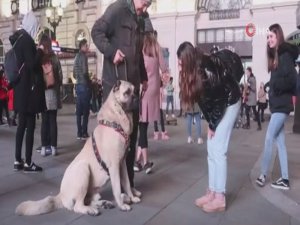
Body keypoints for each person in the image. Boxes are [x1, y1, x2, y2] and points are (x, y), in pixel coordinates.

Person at [91, 0, 151, 192]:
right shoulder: (117, 9)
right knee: (112, 139)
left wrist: (143, 77)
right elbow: (96, 32)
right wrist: (110, 52)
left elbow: (139, 53)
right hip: (114, 89)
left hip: (131, 90)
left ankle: (129, 186)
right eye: (144, 3)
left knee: (130, 139)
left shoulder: (141, 19)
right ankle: (107, 185)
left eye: (149, 4)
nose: (145, 8)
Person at [177, 42, 242, 212]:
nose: (179, 65)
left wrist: (212, 124)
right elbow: (205, 103)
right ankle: (212, 191)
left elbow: (220, 101)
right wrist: (211, 123)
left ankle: (219, 197)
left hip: (230, 101)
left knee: (218, 149)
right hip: (220, 105)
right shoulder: (194, 72)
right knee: (211, 148)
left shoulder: (206, 70)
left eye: (181, 61)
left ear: (188, 59)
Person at [255, 24, 298, 190]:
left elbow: (292, 79)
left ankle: (263, 174)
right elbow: (279, 79)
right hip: (278, 104)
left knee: (268, 138)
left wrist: (276, 86)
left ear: (278, 36)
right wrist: (269, 85)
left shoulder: (284, 55)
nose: (268, 40)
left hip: (282, 106)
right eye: (267, 37)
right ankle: (285, 179)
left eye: (271, 36)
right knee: (280, 144)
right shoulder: (277, 56)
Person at [11, 11, 45, 172]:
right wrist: (40, 51)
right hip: (29, 93)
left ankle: (18, 160)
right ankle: (28, 162)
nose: (36, 30)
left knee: (21, 127)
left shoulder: (18, 40)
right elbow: (32, 65)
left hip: (20, 91)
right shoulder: (27, 41)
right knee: (30, 127)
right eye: (36, 27)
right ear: (32, 25)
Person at [134, 18, 168, 174]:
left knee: (142, 125)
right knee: (144, 125)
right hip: (153, 88)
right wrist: (162, 81)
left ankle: (141, 162)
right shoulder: (156, 47)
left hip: (143, 88)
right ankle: (141, 161)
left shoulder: (140, 47)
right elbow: (164, 69)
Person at [39, 34, 63, 157]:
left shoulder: (40, 57)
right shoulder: (54, 58)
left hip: (43, 94)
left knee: (44, 121)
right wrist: (57, 86)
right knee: (53, 121)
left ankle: (44, 148)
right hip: (53, 93)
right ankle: (53, 148)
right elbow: (60, 74)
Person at [73, 39, 92, 140]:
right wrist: (89, 82)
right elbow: (85, 72)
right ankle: (84, 133)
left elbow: (74, 74)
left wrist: (78, 79)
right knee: (85, 111)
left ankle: (79, 133)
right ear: (82, 46)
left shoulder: (76, 57)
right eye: (86, 46)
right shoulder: (84, 57)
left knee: (79, 111)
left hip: (78, 86)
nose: (87, 47)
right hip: (84, 86)